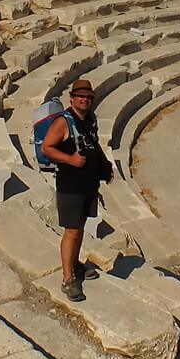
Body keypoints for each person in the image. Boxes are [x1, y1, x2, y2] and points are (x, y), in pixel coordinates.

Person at [41, 78, 113, 302]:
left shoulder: (89, 119)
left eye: (88, 97)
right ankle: (67, 278)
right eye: (80, 96)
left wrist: (105, 167)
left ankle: (74, 264)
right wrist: (70, 160)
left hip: (88, 183)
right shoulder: (63, 121)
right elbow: (47, 148)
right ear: (71, 99)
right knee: (71, 231)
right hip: (70, 185)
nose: (84, 99)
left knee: (80, 228)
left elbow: (94, 144)